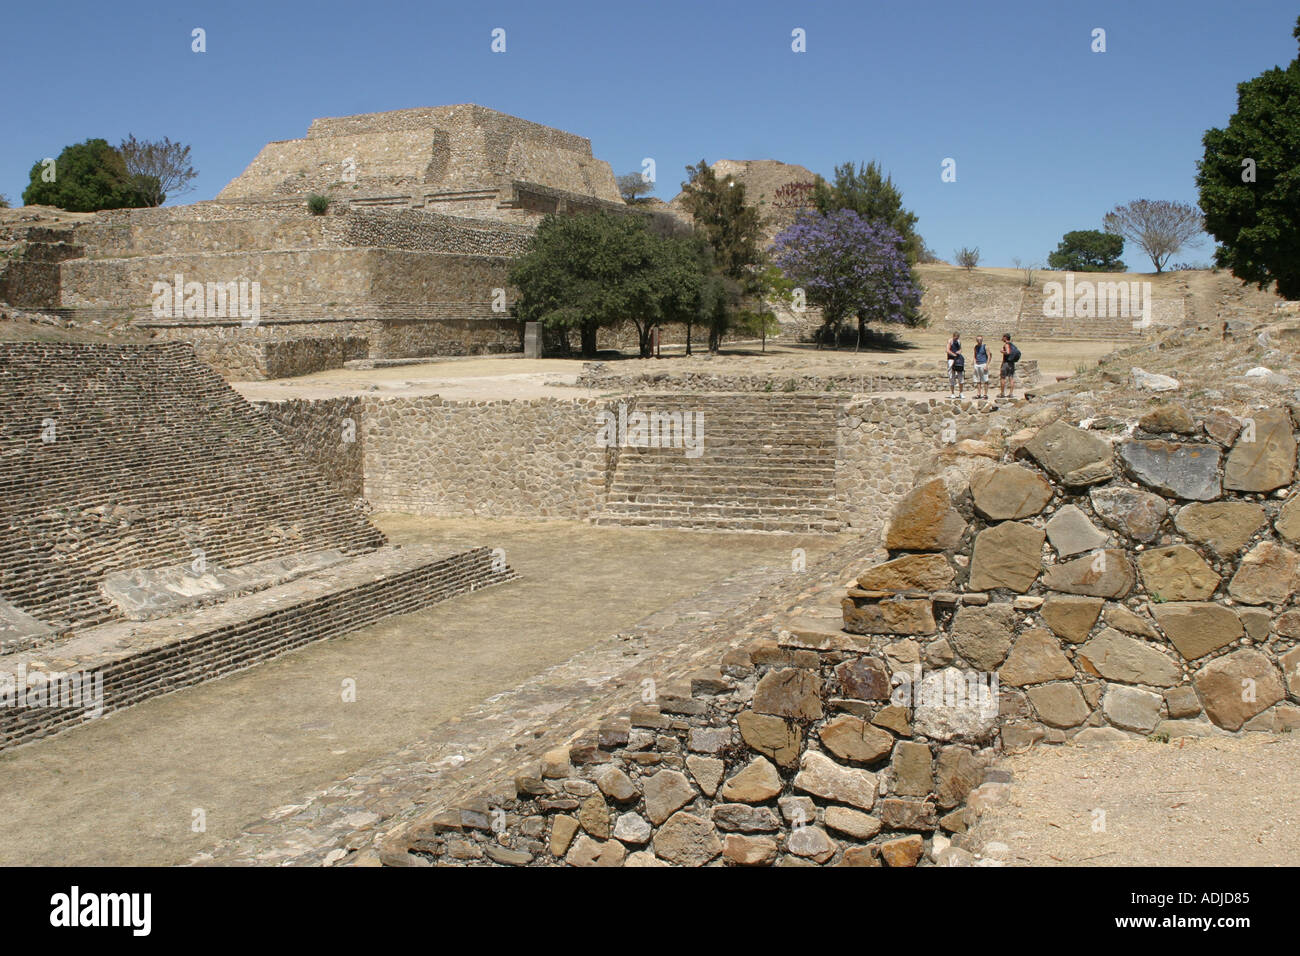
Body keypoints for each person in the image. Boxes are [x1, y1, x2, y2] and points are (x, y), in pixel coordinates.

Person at [999, 333, 1018, 399]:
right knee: (1011, 378)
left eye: (1003, 337)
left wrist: (1002, 351)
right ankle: (1011, 393)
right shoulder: (1012, 345)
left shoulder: (1006, 345)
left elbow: (1008, 352)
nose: (1002, 338)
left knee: (1003, 378)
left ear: (1005, 338)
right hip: (1012, 363)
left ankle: (1002, 393)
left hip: (1006, 363)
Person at [946, 332, 964, 398]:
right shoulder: (950, 341)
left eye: (957, 338)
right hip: (951, 359)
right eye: (955, 338)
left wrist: (959, 352)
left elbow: (960, 349)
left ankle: (961, 392)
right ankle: (952, 393)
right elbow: (947, 350)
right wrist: (954, 354)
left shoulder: (959, 342)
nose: (956, 339)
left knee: (960, 376)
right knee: (951, 376)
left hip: (958, 360)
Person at [972, 335, 990, 399]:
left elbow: (989, 356)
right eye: (978, 340)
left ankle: (985, 394)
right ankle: (979, 393)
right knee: (978, 380)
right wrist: (974, 363)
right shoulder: (976, 347)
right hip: (977, 364)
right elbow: (975, 355)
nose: (979, 341)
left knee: (985, 380)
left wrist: (987, 365)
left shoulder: (985, 347)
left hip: (983, 364)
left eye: (980, 339)